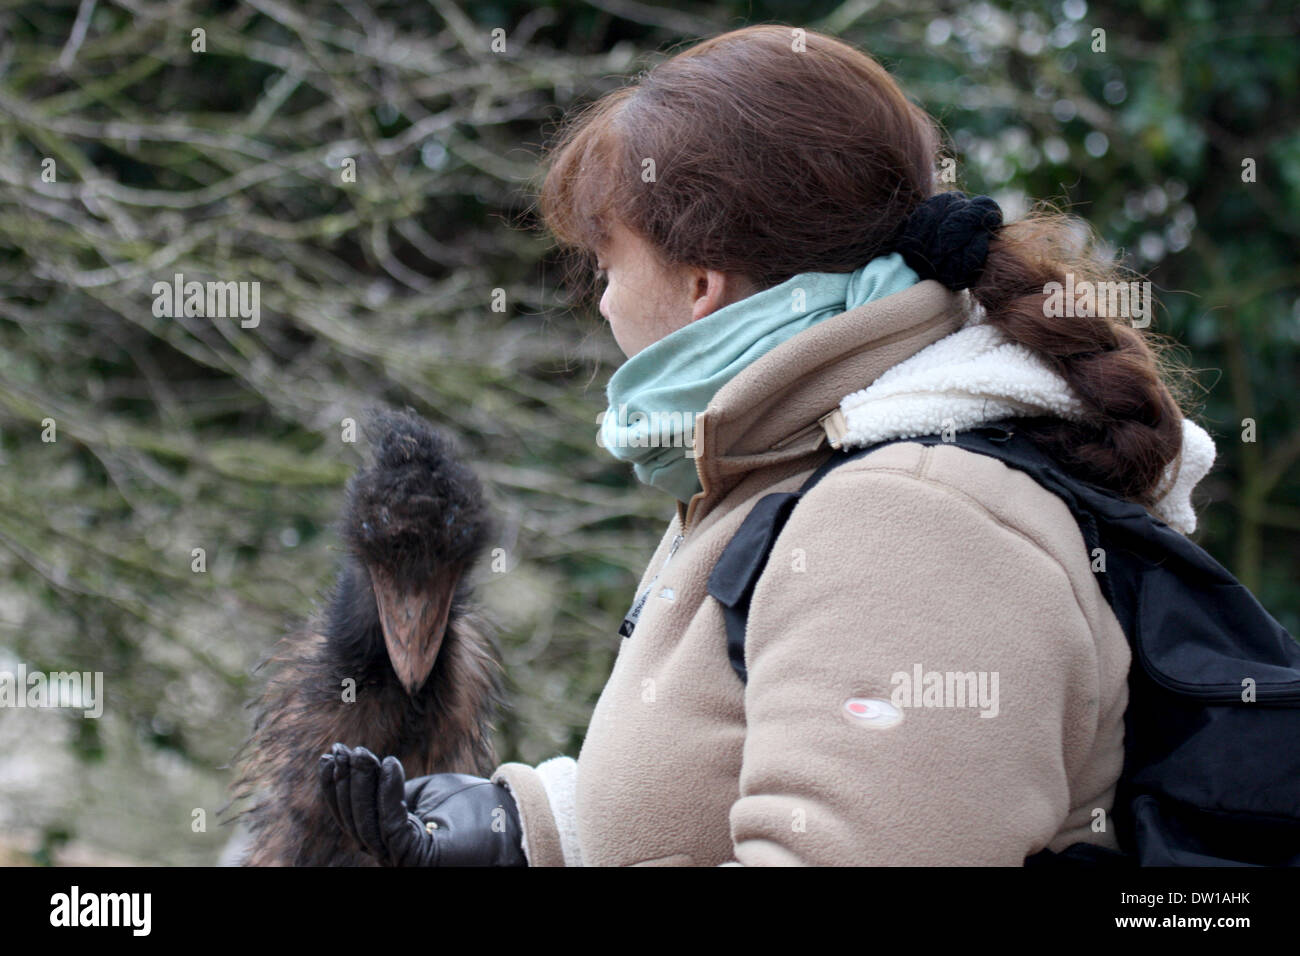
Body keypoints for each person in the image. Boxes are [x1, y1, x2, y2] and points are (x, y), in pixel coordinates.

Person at [319, 24, 1215, 867]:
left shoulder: (910, 520)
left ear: (702, 282)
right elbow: (724, 784)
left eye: (607, 264)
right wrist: (535, 831)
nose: (600, 302)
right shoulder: (787, 475)